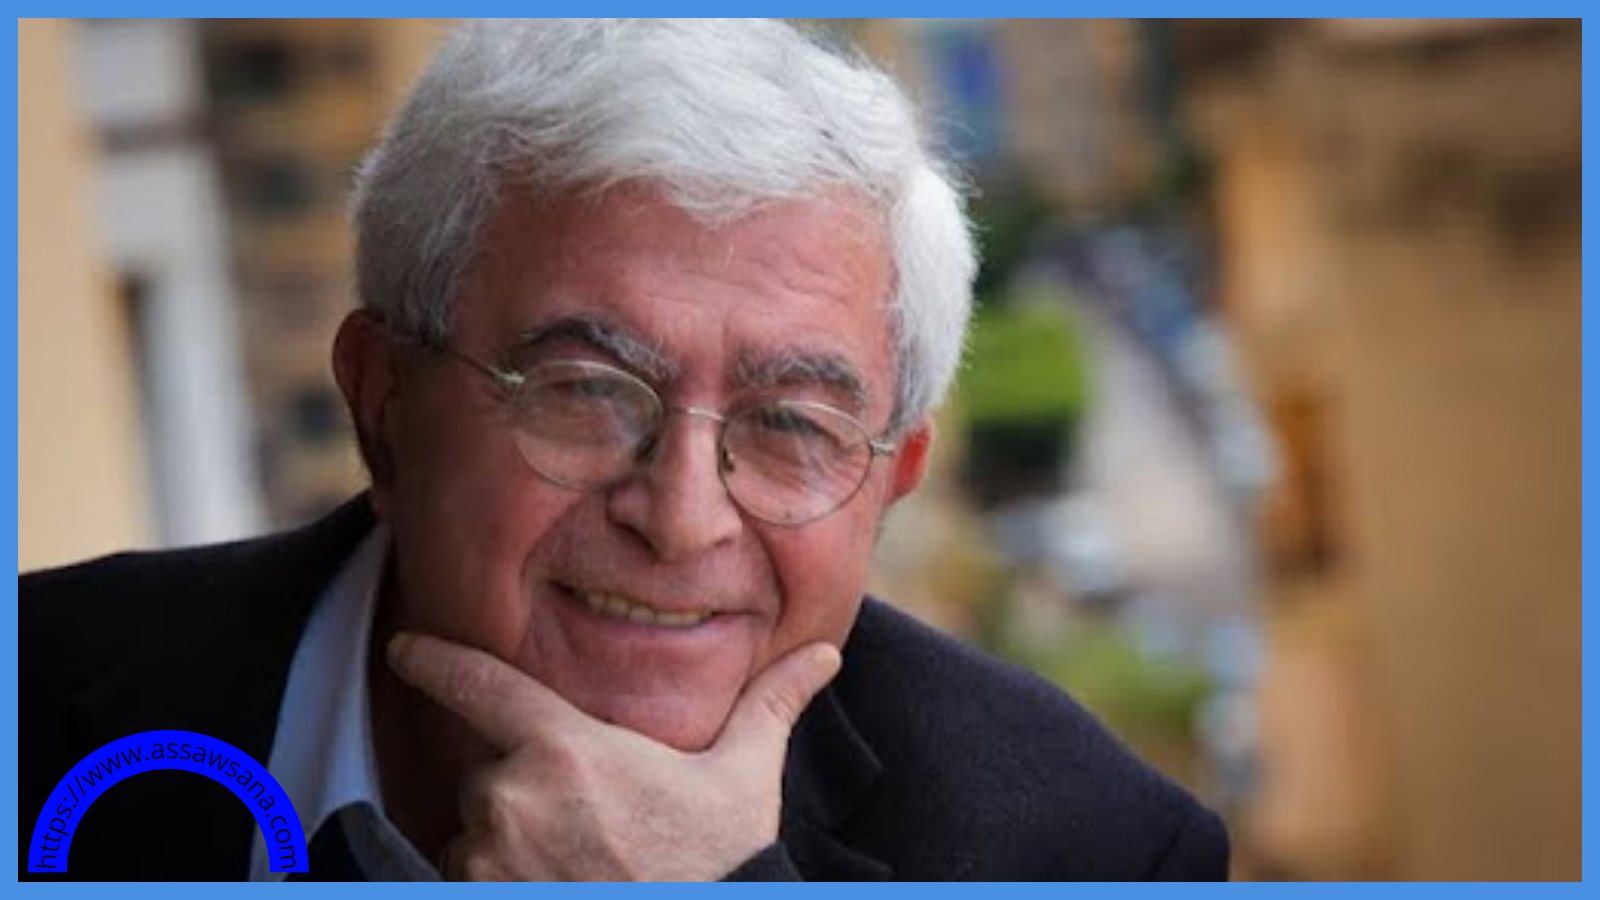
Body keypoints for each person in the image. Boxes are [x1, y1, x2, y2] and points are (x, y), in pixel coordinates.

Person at [20, 19, 1229, 881]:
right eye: (586, 393)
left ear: (889, 484)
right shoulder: (37, 696)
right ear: (384, 407)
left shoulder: (1086, 855)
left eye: (791, 426)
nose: (683, 516)